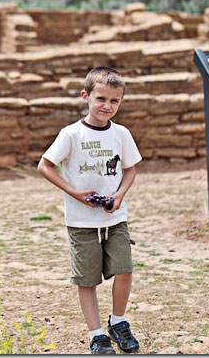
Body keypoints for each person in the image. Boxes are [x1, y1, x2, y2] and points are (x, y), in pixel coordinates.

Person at [37, 66, 142, 354]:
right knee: (87, 279)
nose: (107, 106)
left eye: (115, 101)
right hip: (81, 221)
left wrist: (119, 195)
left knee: (124, 271)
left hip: (115, 218)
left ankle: (117, 322)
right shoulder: (71, 134)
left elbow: (130, 169)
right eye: (101, 99)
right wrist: (74, 193)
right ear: (86, 96)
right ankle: (97, 335)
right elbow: (45, 166)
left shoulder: (121, 133)